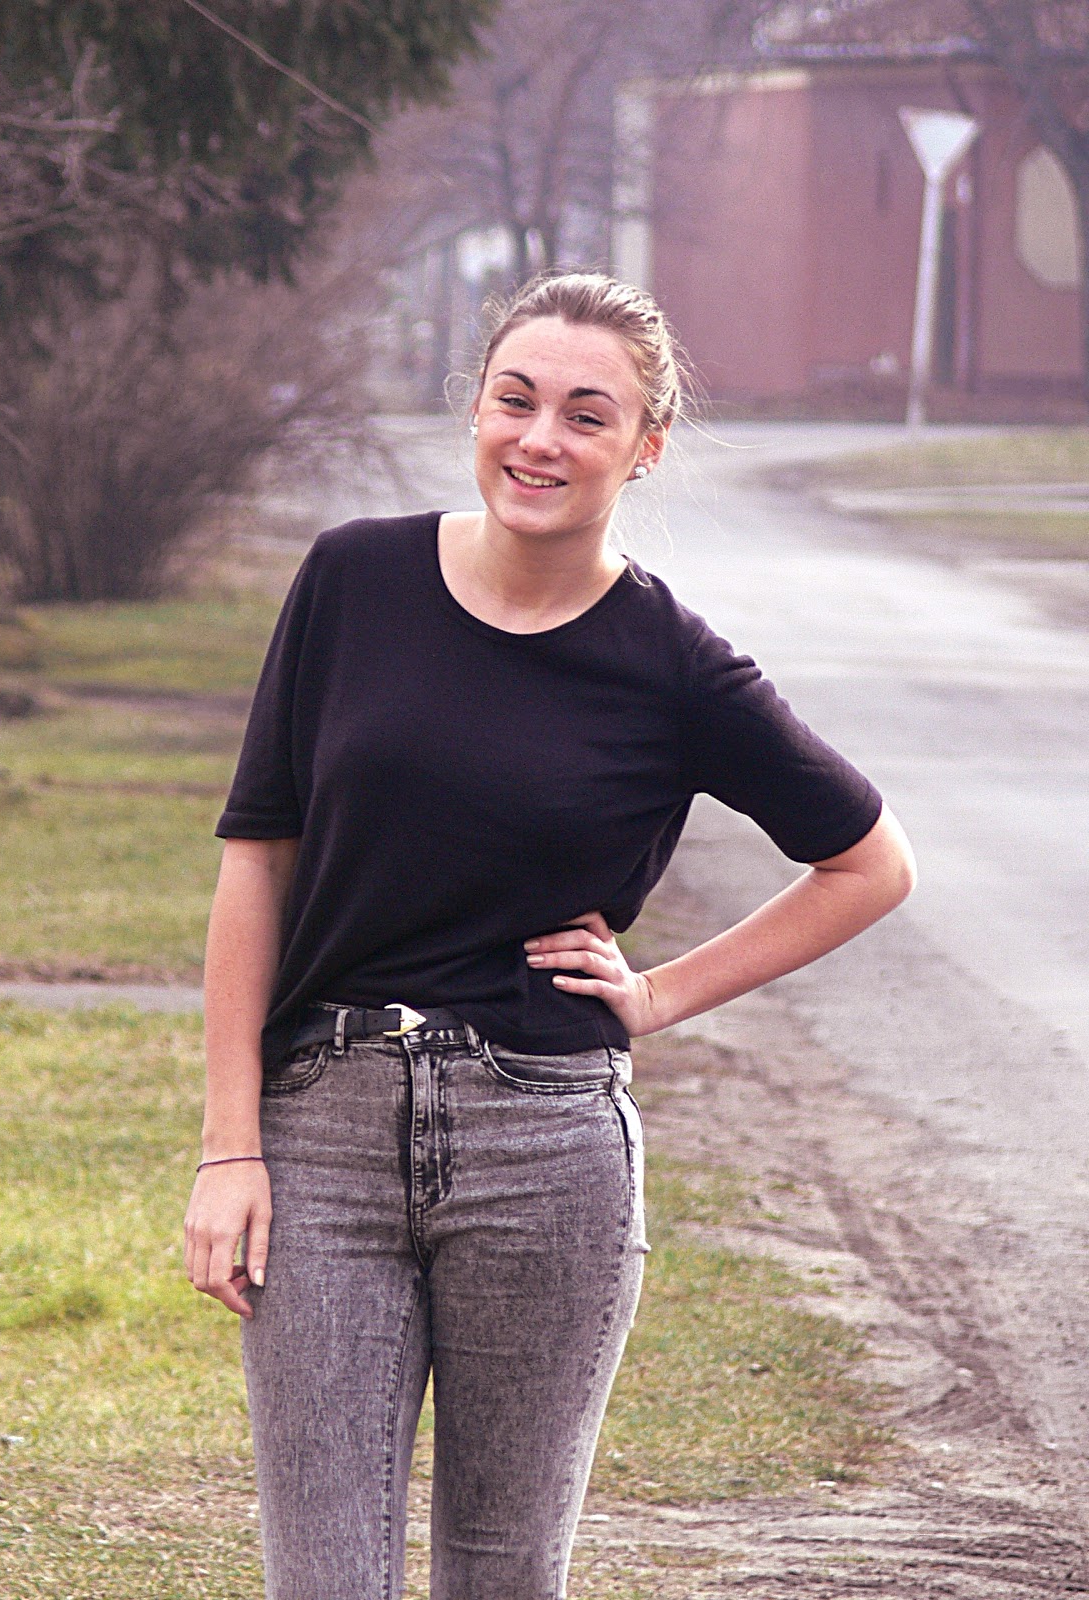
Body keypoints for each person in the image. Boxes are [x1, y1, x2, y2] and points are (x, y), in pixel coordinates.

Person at [183, 272, 916, 1600]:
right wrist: (230, 1146)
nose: (541, 440)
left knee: (504, 1575)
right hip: (323, 1139)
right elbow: (258, 862)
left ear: (645, 447)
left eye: (587, 415)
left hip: (545, 1151)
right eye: (515, 400)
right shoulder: (352, 578)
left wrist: (662, 994)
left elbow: (868, 863)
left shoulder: (674, 663)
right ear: (475, 406)